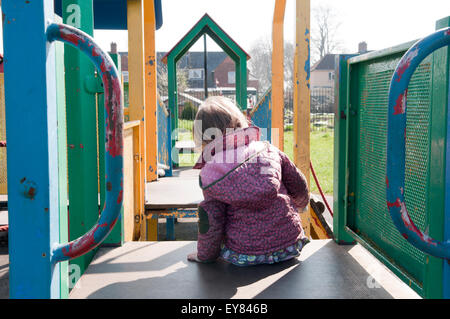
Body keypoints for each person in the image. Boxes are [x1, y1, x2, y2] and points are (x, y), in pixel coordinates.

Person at [187, 96, 309, 266]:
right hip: (289, 245)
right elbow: (297, 184)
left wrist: (205, 256)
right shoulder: (268, 149)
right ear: (239, 123)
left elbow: (212, 219)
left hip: (243, 254)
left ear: (203, 138)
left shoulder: (212, 175)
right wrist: (301, 204)